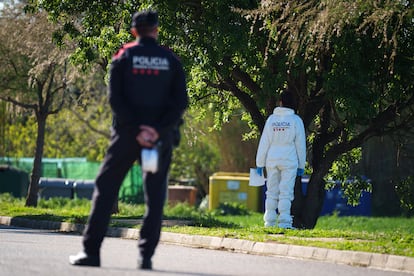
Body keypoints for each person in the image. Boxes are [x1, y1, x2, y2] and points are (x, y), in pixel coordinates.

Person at [69, 9, 188, 270]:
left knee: (106, 188)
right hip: (159, 139)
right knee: (155, 195)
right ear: (156, 30)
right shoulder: (170, 59)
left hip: (126, 136)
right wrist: (156, 131)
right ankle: (145, 257)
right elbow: (180, 102)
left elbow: (115, 99)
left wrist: (137, 130)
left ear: (134, 31)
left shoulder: (124, 56)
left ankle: (91, 253)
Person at [255, 89, 306, 229]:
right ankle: (284, 222)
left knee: (271, 191)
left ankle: (269, 222)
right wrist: (301, 165)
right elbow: (300, 145)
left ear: (280, 102)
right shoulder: (296, 120)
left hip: (272, 159)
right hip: (289, 160)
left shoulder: (271, 120)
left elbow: (264, 142)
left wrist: (259, 163)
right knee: (286, 191)